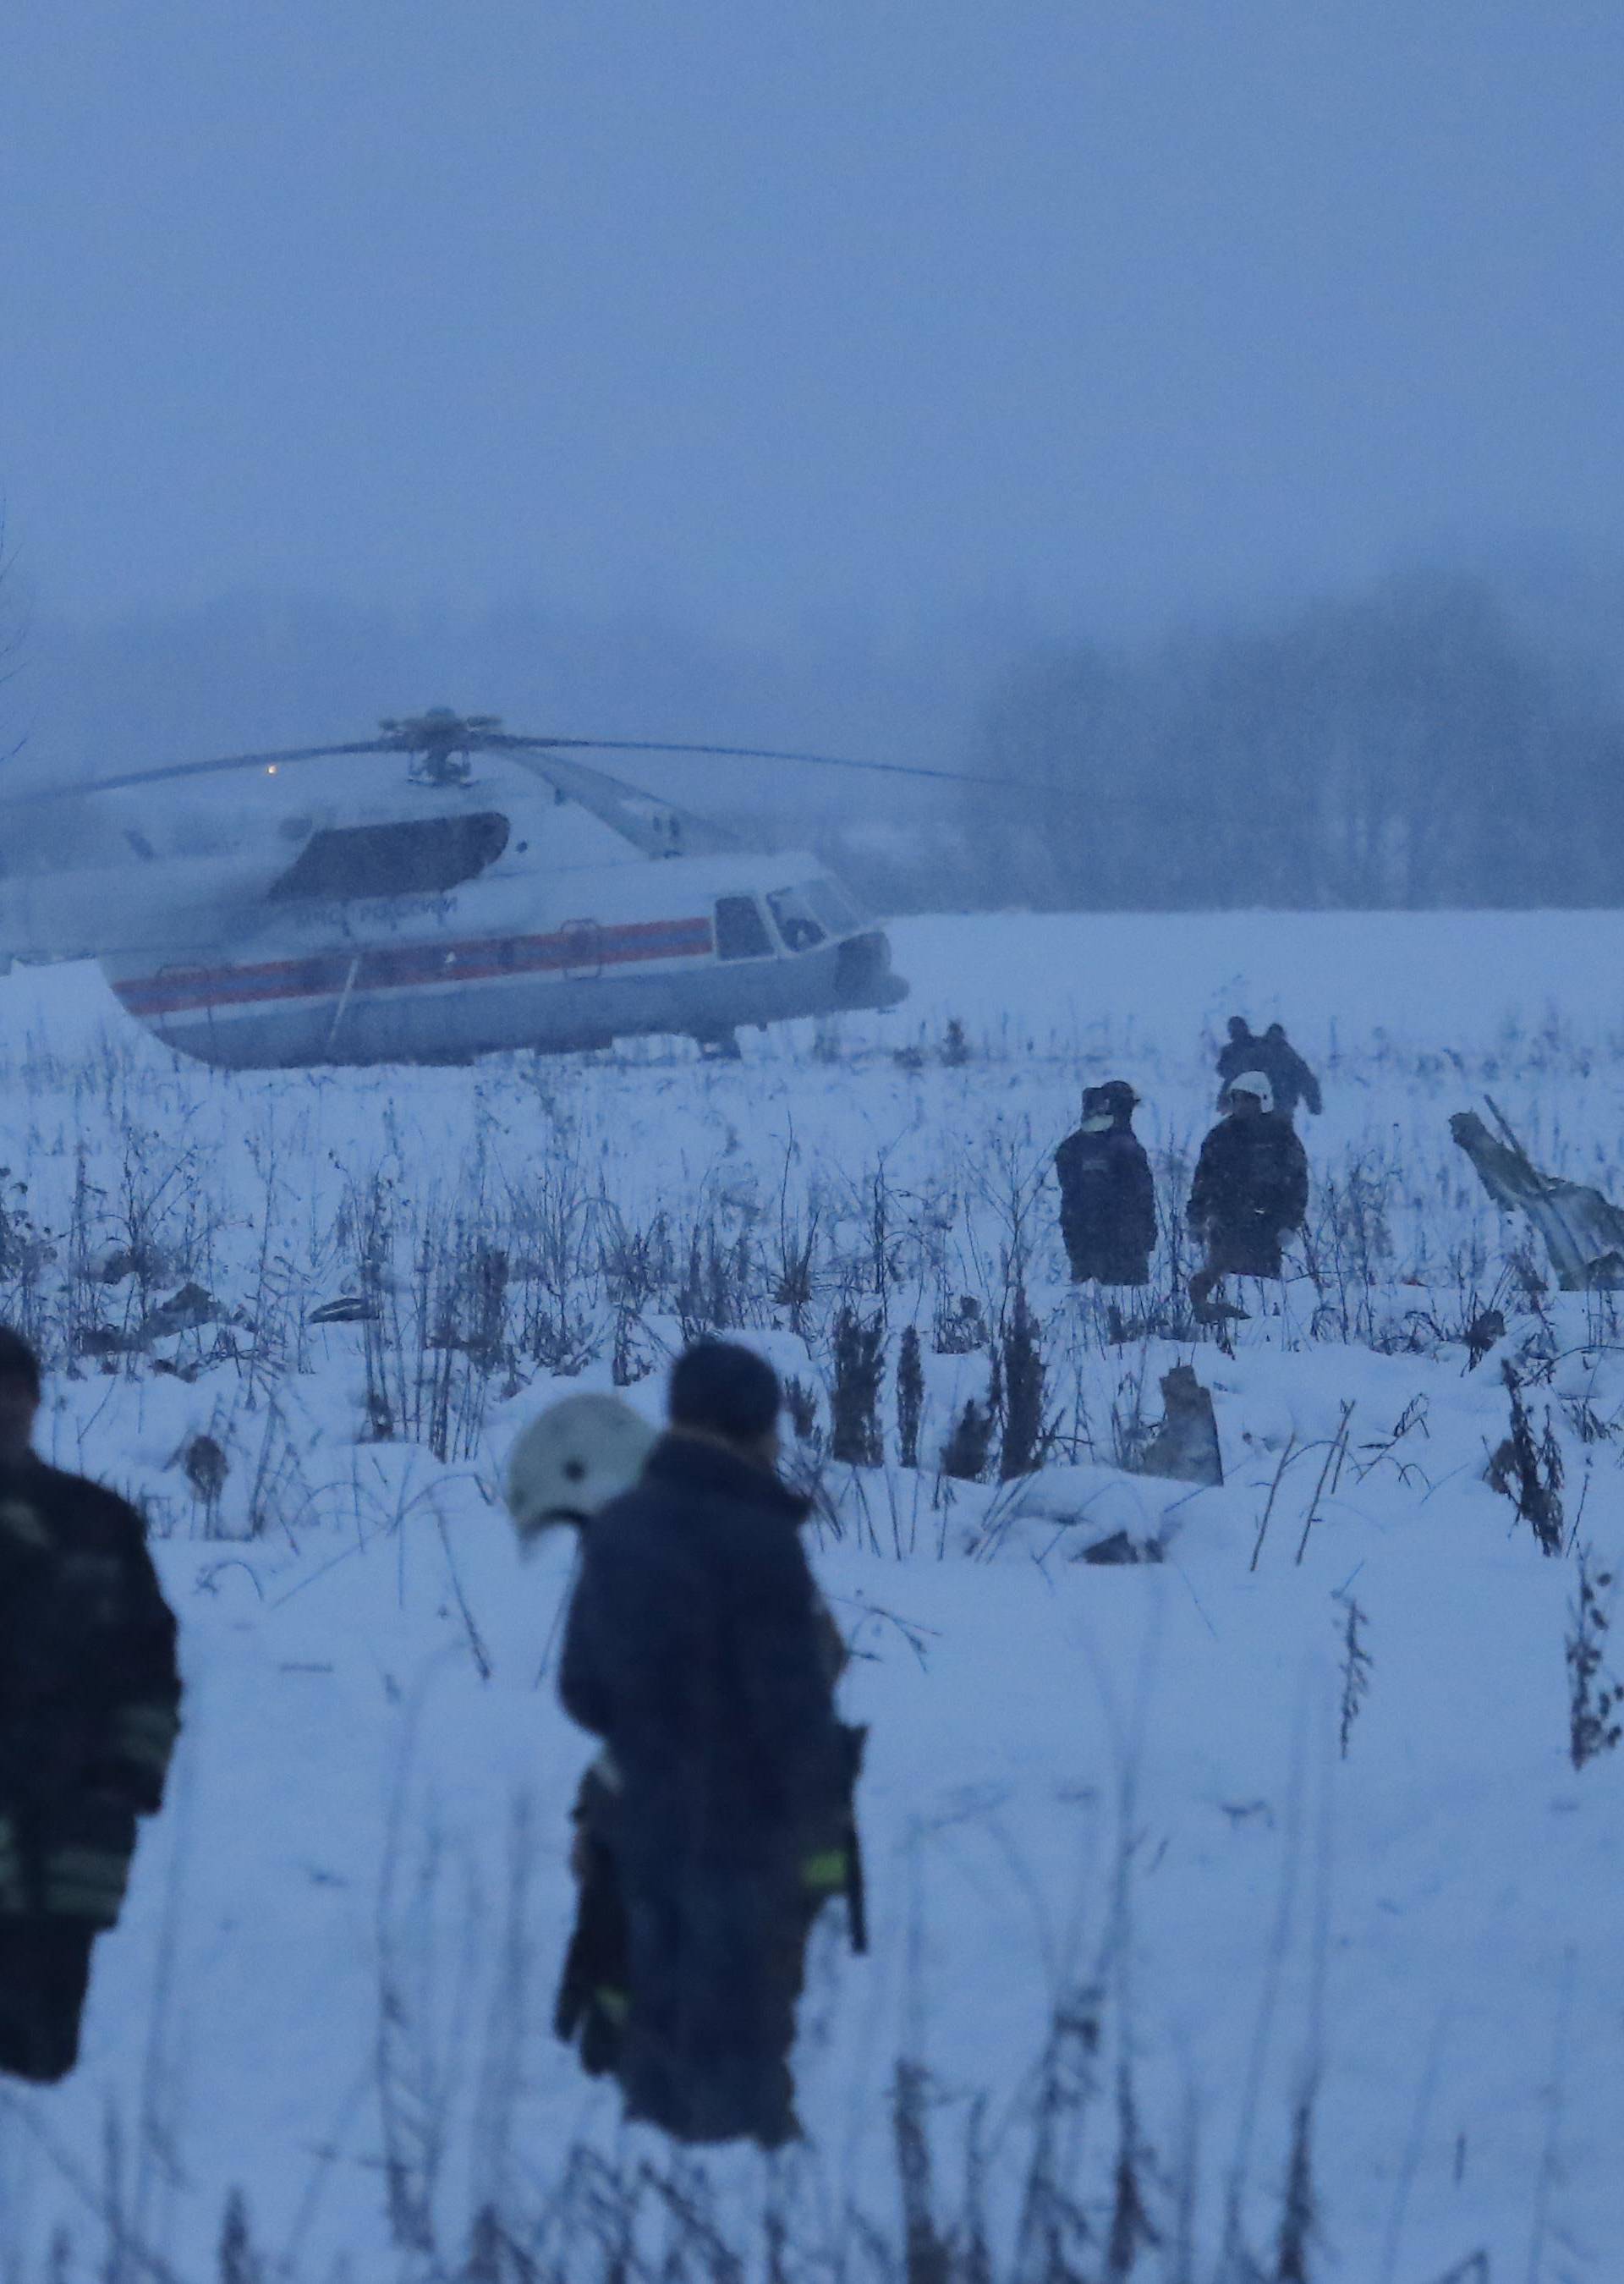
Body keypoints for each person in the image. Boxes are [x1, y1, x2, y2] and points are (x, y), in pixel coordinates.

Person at [557, 1342, 859, 2148]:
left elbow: (582, 1691)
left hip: (634, 1821)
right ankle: (739, 2200)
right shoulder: (763, 1542)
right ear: (754, 1428)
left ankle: (651, 2196)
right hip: (742, 1831)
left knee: (649, 2014)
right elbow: (796, 1717)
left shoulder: (617, 1529)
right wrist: (821, 1850)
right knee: (743, 2038)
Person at [0, 1328, 182, 2083]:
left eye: (12, 1390)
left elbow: (150, 1676)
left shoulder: (98, 1525)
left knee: (43, 2070)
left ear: (37, 1402)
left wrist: (121, 1786)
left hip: (70, 1842)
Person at [1188, 1074, 1309, 1319]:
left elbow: (1297, 1183)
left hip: (1267, 1227)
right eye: (1237, 1098)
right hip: (1225, 1226)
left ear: (1262, 1101)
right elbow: (1203, 1180)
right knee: (1225, 1283)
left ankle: (1263, 1337)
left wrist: (1290, 1223)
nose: (1241, 1104)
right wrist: (1196, 1217)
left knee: (1262, 1292)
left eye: (1248, 1099)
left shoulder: (1281, 1135)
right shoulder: (1219, 1136)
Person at [1053, 1081, 1156, 1287]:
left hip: (1086, 1240)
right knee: (1124, 1302)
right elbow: (1141, 1196)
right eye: (1126, 1108)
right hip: (1120, 1243)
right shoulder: (1124, 1147)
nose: (1129, 1115)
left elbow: (1071, 1195)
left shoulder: (1072, 1146)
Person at [1215, 1017, 1322, 1120]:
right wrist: (1314, 1104)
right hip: (1282, 1107)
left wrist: (1224, 1101)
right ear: (1283, 1037)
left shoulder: (1256, 1051)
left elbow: (1236, 1075)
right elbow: (1307, 1079)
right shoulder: (1288, 1054)